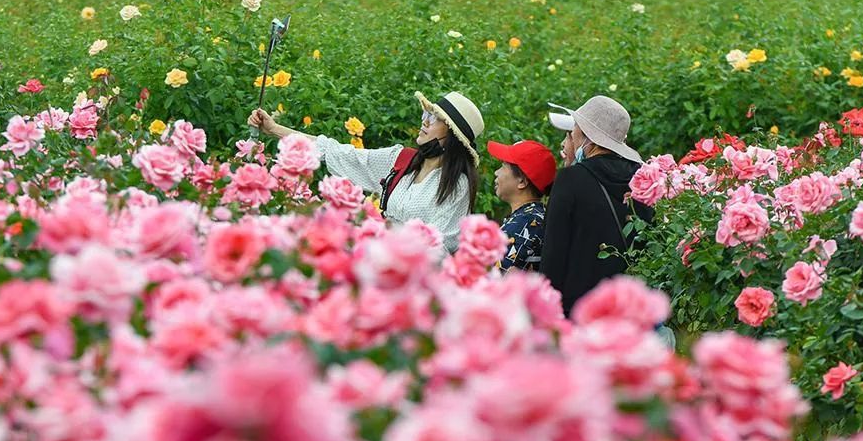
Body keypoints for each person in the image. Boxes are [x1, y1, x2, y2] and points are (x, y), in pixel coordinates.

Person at [248, 90, 484, 253]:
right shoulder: (401, 160)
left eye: (433, 118)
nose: (424, 121)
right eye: (426, 114)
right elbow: (336, 152)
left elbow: (439, 249)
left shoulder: (456, 186)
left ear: (452, 136)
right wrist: (275, 129)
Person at [540, 96, 653, 316]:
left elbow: (553, 256)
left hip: (579, 312)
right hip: (626, 311)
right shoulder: (642, 182)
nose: (568, 139)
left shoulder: (571, 180)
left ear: (585, 137)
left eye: (572, 132)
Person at [485, 139, 557, 272]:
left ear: (522, 181)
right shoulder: (536, 215)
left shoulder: (524, 223)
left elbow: (494, 280)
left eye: (503, 166)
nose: (496, 172)